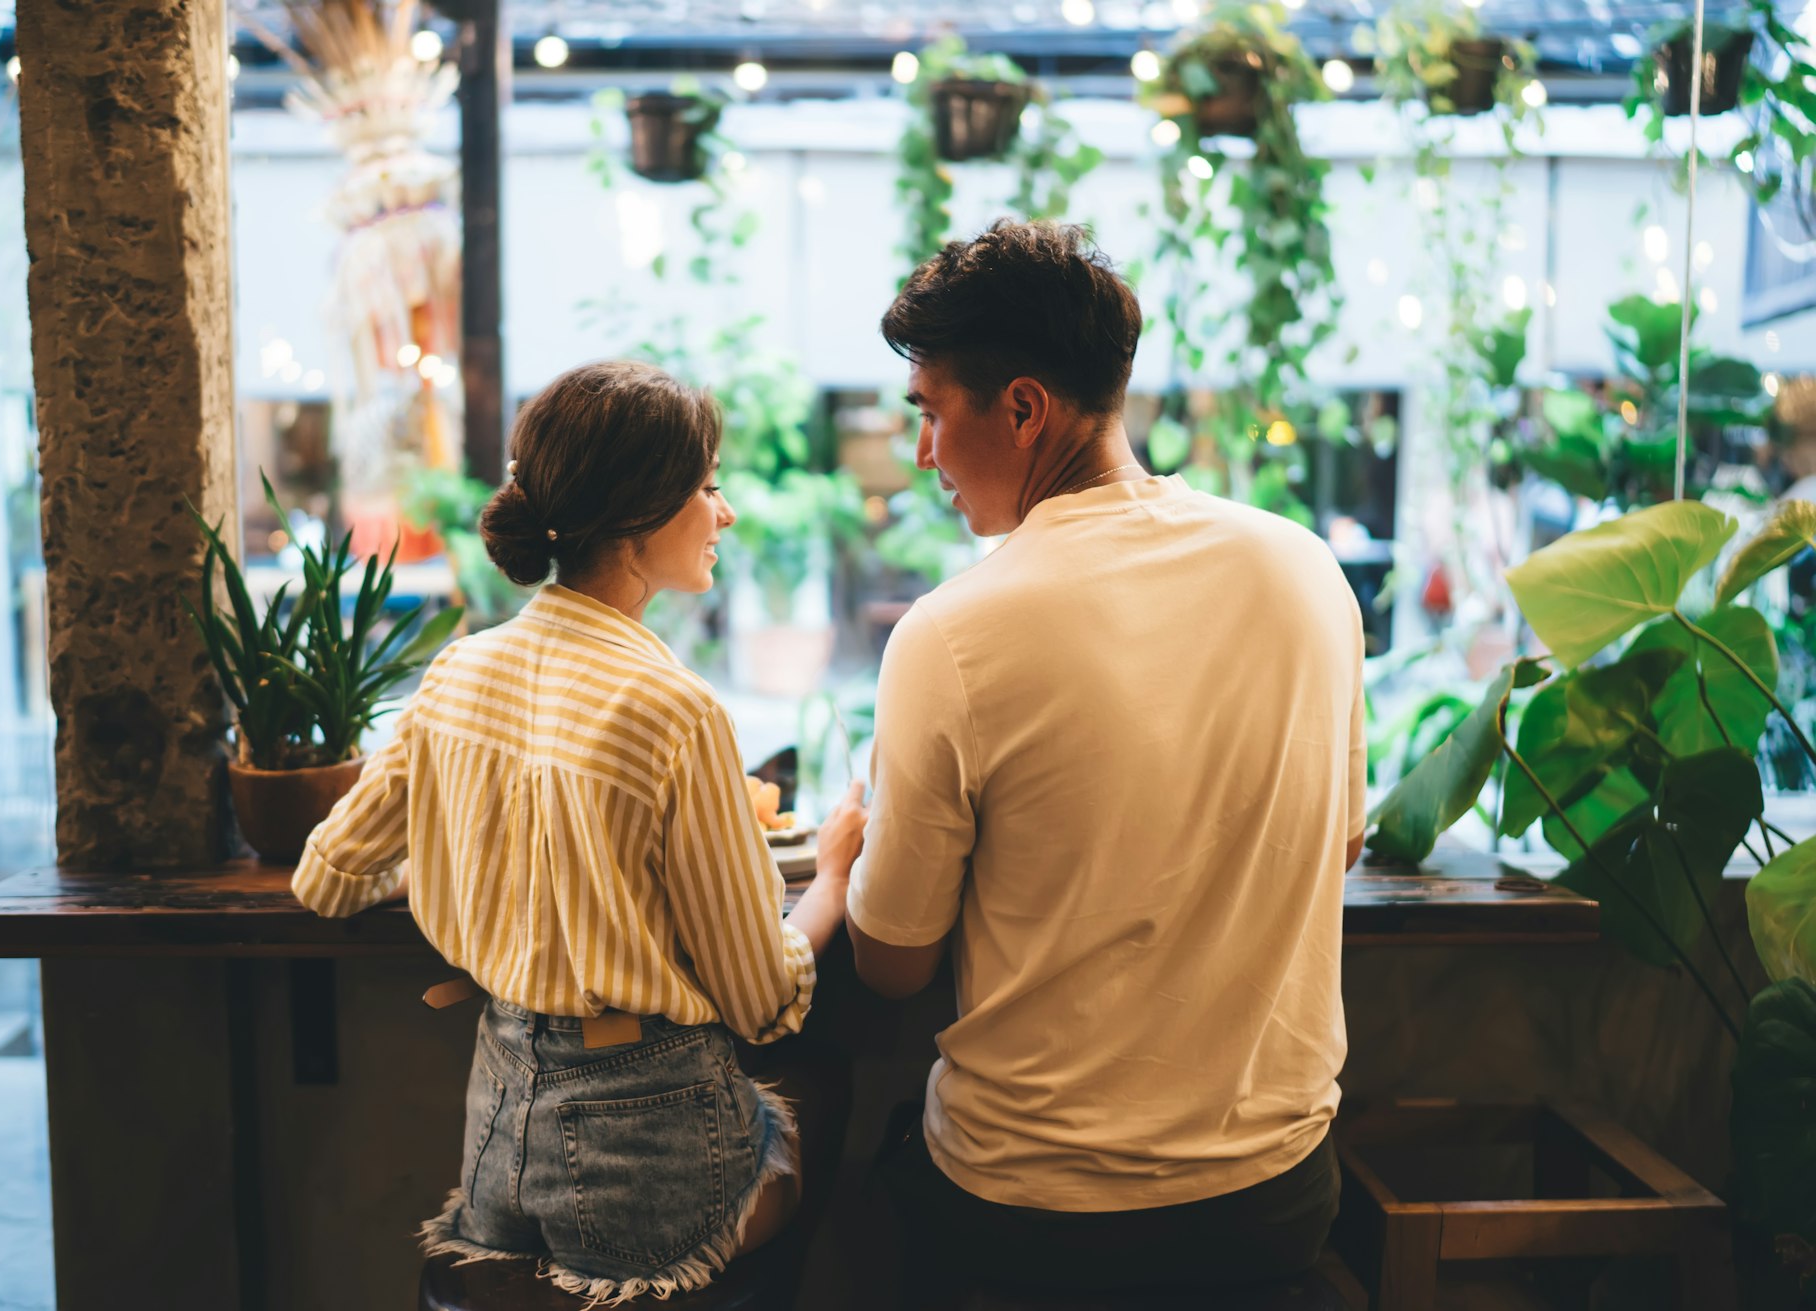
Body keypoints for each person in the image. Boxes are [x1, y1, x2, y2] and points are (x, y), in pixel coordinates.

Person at [846, 220, 1365, 1301]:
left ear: (1023, 408)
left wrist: (858, 841)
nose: (924, 454)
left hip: (1034, 1218)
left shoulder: (953, 633)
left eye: (931, 412)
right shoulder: (1305, 569)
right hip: (1272, 1196)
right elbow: (1342, 841)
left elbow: (892, 962)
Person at [291, 360, 867, 1304]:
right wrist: (835, 875)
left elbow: (327, 878)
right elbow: (762, 999)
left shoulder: (458, 672)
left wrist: (458, 857)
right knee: (827, 1092)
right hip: (650, 1167)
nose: (724, 513)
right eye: (708, 487)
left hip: (497, 1140)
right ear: (641, 515)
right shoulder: (674, 710)